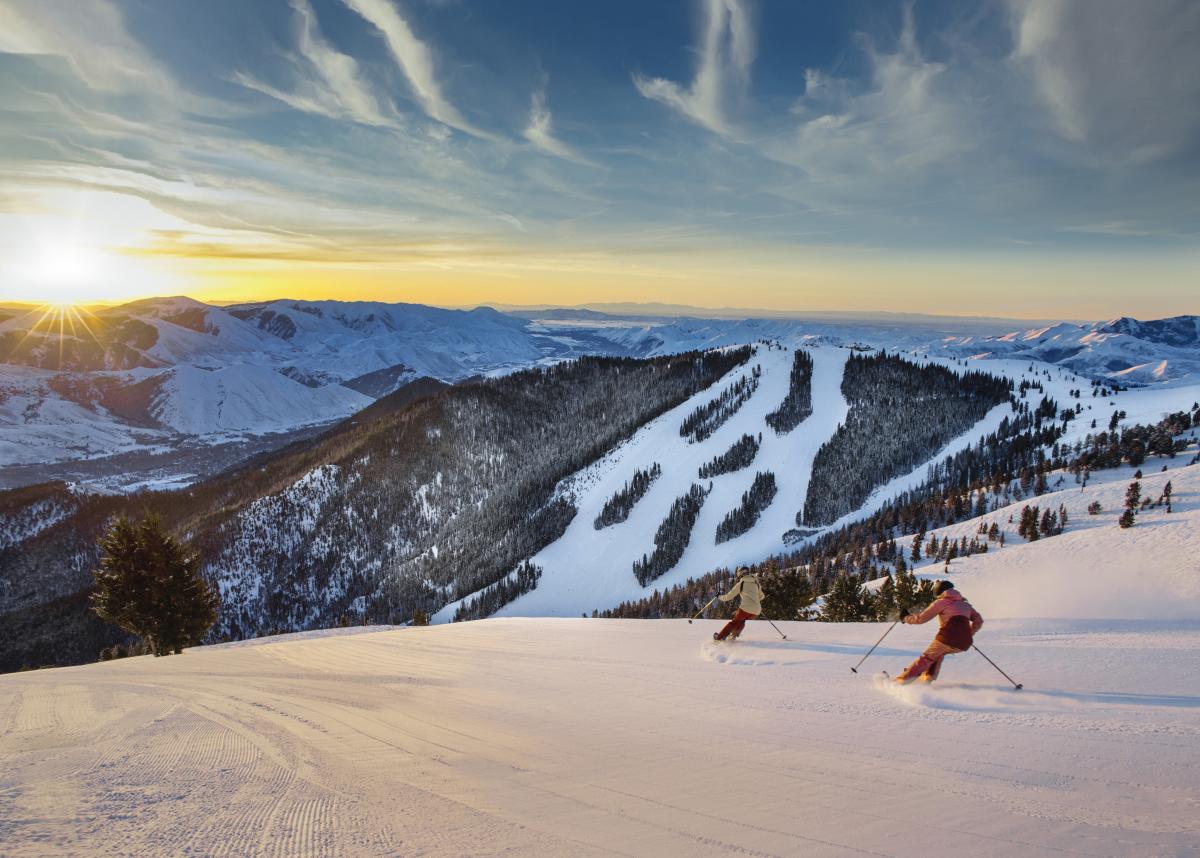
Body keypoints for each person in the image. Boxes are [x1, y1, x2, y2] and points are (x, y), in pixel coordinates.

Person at [894, 580, 983, 683]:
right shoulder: (966, 605)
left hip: (947, 637)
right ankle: (927, 678)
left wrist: (906, 617)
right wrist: (968, 634)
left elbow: (921, 619)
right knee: (938, 655)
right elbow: (979, 621)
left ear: (939, 591)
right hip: (964, 643)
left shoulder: (941, 602)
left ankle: (902, 681)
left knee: (926, 658)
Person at [713, 567, 763, 641]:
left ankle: (720, 637)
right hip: (756, 611)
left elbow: (728, 596)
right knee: (741, 620)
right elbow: (762, 596)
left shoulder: (741, 583)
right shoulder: (756, 583)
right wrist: (755, 601)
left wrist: (719, 596)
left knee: (734, 622)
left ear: (740, 573)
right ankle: (734, 635)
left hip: (746, 608)